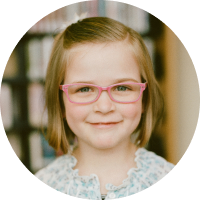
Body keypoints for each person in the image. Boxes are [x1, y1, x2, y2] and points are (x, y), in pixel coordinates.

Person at [34, 16, 175, 200]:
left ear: (145, 98)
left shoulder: (164, 173)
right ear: (59, 102)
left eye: (122, 88)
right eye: (84, 89)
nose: (104, 106)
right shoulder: (46, 180)